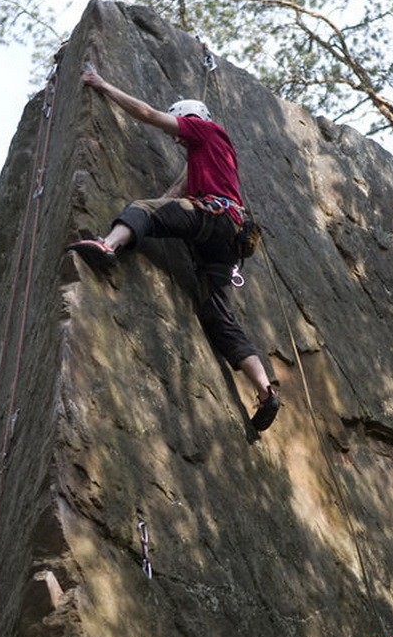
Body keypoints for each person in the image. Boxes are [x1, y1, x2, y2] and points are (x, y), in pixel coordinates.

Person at [67, 67, 280, 431]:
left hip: (213, 218)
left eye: (180, 130)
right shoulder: (212, 154)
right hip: (228, 239)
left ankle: (106, 246)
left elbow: (149, 115)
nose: (178, 140)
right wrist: (147, 226)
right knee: (218, 318)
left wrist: (102, 84)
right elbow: (171, 196)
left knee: (142, 208)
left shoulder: (205, 130)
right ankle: (266, 390)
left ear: (188, 119)